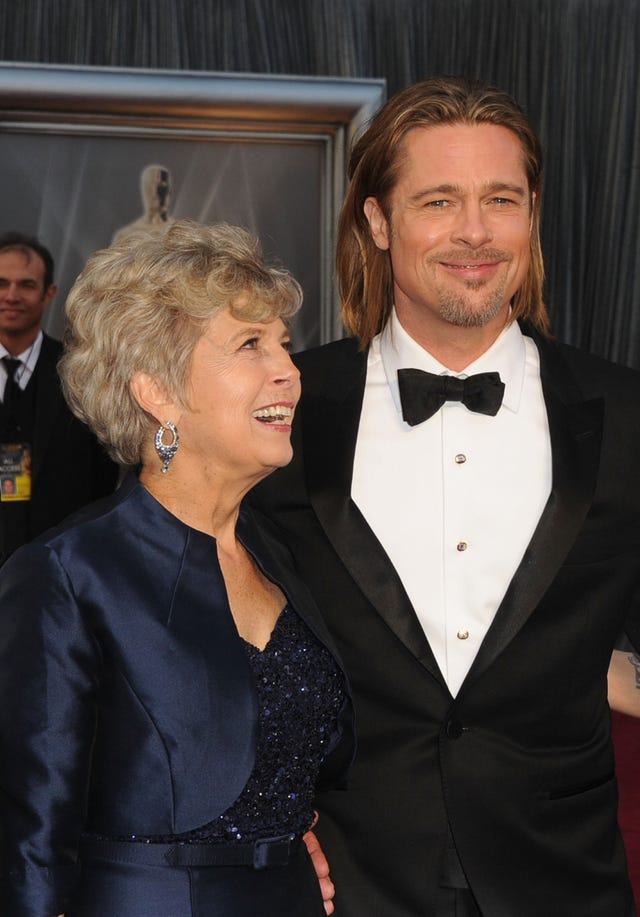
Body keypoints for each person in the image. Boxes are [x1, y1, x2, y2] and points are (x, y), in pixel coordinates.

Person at [252, 77, 640, 917]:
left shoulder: (625, 415)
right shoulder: (282, 412)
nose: (475, 231)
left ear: (532, 215)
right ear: (378, 221)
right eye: (439, 201)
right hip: (342, 883)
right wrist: (262, 810)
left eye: (501, 199)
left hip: (564, 880)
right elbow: (199, 648)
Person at [0, 220, 353, 917]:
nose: (289, 370)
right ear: (157, 392)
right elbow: (30, 853)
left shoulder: (281, 551)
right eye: (250, 345)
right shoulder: (65, 574)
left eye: (283, 343)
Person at [0, 232, 118, 564]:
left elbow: (102, 479)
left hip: (61, 563)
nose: (11, 295)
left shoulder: (81, 373)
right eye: (2, 283)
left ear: (48, 293)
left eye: (26, 285)